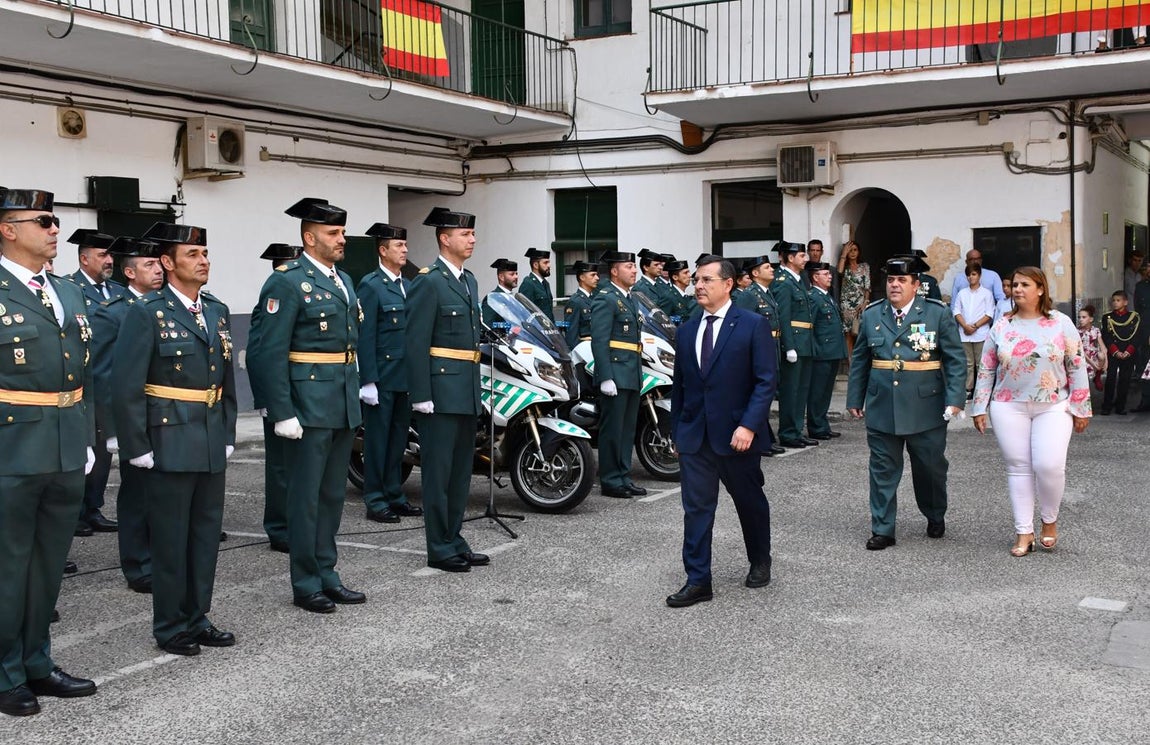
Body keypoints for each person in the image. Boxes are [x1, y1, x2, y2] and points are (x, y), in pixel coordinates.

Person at [112, 222, 237, 655]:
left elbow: (225, 379)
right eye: (192, 255)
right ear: (168, 262)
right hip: (168, 439)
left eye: (204, 254)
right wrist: (136, 446)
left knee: (204, 536)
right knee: (169, 539)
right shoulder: (147, 312)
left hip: (208, 435)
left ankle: (197, 616)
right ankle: (170, 626)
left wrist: (228, 431)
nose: (203, 262)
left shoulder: (217, 311)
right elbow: (126, 384)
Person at [0, 188, 97, 717]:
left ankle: (37, 662)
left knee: (47, 566)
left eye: (56, 220)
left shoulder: (66, 291)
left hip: (63, 440)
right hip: (11, 445)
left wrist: (84, 435)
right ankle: (5, 671)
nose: (55, 229)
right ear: (8, 229)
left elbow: (84, 370)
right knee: (7, 565)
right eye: (43, 221)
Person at [248, 198, 365, 613]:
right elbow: (267, 352)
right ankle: (305, 582)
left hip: (340, 400)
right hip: (308, 402)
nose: (341, 240)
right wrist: (281, 412)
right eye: (334, 234)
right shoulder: (287, 281)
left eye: (342, 233)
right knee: (305, 498)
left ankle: (328, 573)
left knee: (332, 496)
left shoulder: (342, 280)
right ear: (309, 237)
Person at [666, 255, 777, 608]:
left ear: (727, 284)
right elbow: (680, 387)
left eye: (707, 280)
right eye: (696, 280)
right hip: (696, 437)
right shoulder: (686, 330)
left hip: (737, 437)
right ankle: (698, 580)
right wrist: (677, 433)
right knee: (696, 509)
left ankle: (760, 559)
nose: (698, 286)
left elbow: (765, 381)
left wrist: (748, 425)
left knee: (749, 503)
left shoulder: (751, 324)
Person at [846, 255, 966, 550]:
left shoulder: (937, 314)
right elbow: (861, 358)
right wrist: (855, 397)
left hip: (926, 407)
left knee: (931, 469)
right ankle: (883, 528)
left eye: (901, 280)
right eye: (890, 280)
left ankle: (935, 513)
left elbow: (954, 360)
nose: (895, 285)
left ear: (916, 285)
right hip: (882, 405)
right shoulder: (874, 314)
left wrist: (955, 399)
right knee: (882, 470)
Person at [971, 266, 1091, 557]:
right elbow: (987, 367)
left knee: (1049, 465)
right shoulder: (1002, 325)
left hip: (1053, 405)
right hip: (1008, 405)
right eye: (1015, 285)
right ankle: (1023, 531)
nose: (1018, 289)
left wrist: (1081, 406)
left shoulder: (1060, 323)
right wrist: (979, 405)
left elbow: (1076, 364)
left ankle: (1049, 520)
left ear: (1040, 289)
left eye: (1025, 284)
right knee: (1018, 467)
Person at [404, 207, 488, 573]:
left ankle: (455, 539)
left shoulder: (468, 280)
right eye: (465, 234)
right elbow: (415, 341)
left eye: (472, 234)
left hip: (465, 390)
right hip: (438, 393)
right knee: (438, 475)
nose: (471, 239)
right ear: (445, 238)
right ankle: (438, 547)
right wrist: (421, 394)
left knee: (459, 475)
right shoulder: (429, 280)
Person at [93, 236, 165, 593]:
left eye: (159, 263)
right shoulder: (115, 311)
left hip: (167, 415)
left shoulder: (167, 306)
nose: (158, 270)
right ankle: (138, 564)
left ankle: (161, 555)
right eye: (149, 265)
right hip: (133, 417)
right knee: (137, 493)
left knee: (165, 492)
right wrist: (113, 428)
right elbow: (105, 374)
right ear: (129, 271)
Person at [357, 223, 422, 524]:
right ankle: (375, 499)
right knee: (377, 442)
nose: (405, 250)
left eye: (405, 245)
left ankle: (395, 495)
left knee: (398, 441)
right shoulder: (371, 286)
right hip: (381, 378)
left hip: (403, 376)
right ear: (383, 251)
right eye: (399, 246)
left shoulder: (407, 286)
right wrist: (367, 379)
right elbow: (364, 335)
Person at [246, 243, 302, 554]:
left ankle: (297, 523)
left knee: (298, 466)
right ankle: (279, 528)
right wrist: (266, 398)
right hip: (278, 395)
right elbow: (259, 354)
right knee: (281, 466)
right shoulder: (271, 301)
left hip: (301, 391)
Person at [66, 228, 122, 536]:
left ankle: (93, 507)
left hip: (112, 382)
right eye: (102, 255)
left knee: (103, 451)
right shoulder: (70, 288)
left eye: (111, 254)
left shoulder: (117, 291)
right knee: (83, 449)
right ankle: (74, 512)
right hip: (86, 382)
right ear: (84, 258)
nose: (109, 260)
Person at [591, 251, 646, 499]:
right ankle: (611, 480)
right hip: (615, 372)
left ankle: (623, 476)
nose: (634, 270)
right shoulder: (606, 298)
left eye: (634, 266)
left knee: (627, 429)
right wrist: (605, 376)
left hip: (631, 371)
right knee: (612, 429)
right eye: (629, 266)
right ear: (614, 271)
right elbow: (600, 340)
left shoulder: (630, 299)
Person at [733, 255, 786, 457]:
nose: (771, 269)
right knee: (760, 393)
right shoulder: (750, 294)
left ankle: (766, 438)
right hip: (759, 349)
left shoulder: (766, 293)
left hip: (772, 346)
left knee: (768, 392)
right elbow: (744, 327)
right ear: (755, 273)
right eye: (766, 267)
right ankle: (762, 440)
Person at [771, 241, 817, 449]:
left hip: (805, 342)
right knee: (791, 390)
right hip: (795, 343)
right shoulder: (783, 281)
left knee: (802, 389)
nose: (806, 258)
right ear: (790, 258)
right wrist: (788, 346)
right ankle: (788, 432)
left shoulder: (799, 280)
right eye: (802, 255)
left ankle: (796, 430)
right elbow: (784, 316)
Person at [806, 262, 847, 440]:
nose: (830, 276)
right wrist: (815, 350)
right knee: (817, 391)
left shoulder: (827, 297)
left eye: (829, 274)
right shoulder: (813, 297)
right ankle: (816, 427)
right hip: (821, 352)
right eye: (825, 274)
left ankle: (823, 424)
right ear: (815, 277)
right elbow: (810, 327)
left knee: (826, 391)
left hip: (832, 351)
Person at [952, 263, 996, 398]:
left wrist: (975, 326)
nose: (971, 277)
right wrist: (965, 326)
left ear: (979, 275)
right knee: (967, 363)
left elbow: (989, 314)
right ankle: (968, 390)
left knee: (982, 363)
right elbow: (956, 311)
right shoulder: (962, 293)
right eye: (969, 275)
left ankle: (983, 391)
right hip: (964, 333)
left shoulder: (986, 294)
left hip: (981, 334)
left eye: (974, 274)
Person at [1099, 290, 1143, 415]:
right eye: (1113, 300)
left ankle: (1120, 406)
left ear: (1125, 302)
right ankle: (1106, 406)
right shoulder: (1107, 317)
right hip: (1114, 352)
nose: (1115, 303)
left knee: (1125, 380)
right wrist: (1115, 351)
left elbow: (1137, 336)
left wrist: (1129, 351)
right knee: (1111, 379)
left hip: (1129, 353)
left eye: (1118, 300)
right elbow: (1106, 336)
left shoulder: (1134, 317)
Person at [837, 240, 870, 358]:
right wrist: (844, 253)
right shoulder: (844, 267)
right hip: (846, 305)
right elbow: (839, 271)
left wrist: (865, 302)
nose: (852, 253)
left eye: (855, 250)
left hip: (860, 304)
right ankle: (850, 366)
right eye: (850, 250)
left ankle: (860, 365)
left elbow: (867, 287)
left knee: (861, 333)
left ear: (859, 252)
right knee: (848, 335)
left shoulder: (864, 266)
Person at [562, 260, 598, 348]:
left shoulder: (595, 299)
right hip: (584, 350)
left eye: (597, 275)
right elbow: (572, 335)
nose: (597, 278)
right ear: (582, 277)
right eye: (593, 275)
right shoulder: (575, 302)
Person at [1077, 305, 1107, 394]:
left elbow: (1103, 347)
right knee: (1083, 380)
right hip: (1083, 355)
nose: (1080, 319)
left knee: (1101, 355)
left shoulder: (1096, 330)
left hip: (1093, 355)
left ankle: (1097, 376)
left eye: (1084, 317)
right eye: (1079, 317)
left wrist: (1106, 362)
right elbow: (1080, 350)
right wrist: (1093, 364)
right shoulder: (1076, 331)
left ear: (1091, 319)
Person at [519, 247, 554, 321]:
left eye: (549, 262)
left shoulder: (545, 284)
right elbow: (525, 312)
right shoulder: (528, 284)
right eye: (545, 262)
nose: (549, 265)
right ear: (535, 265)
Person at [481, 258, 518, 326]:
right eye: (512, 274)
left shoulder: (514, 297)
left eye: (516, 273)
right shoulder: (493, 298)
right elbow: (487, 324)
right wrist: (510, 327)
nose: (516, 277)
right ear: (501, 277)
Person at [664, 258, 697, 323]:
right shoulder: (668, 297)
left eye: (689, 272)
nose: (689, 275)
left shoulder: (685, 297)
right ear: (675, 277)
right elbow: (663, 320)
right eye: (685, 273)